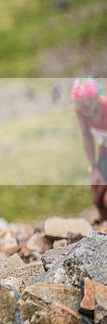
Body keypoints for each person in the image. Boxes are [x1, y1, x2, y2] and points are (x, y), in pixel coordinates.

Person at [72, 77, 107, 221]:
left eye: (88, 103)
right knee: (98, 196)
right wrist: (94, 168)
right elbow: (87, 136)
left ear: (97, 98)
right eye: (80, 104)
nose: (85, 109)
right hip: (104, 154)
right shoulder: (80, 111)